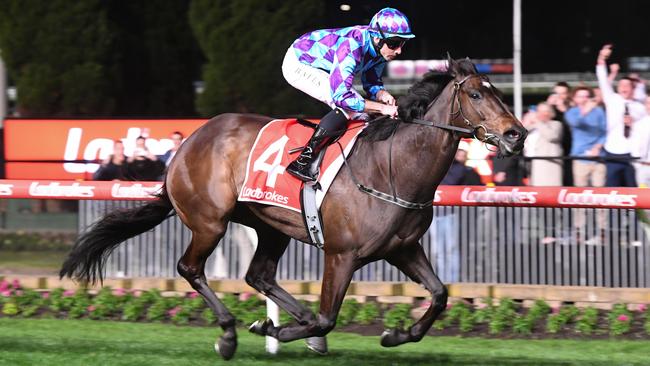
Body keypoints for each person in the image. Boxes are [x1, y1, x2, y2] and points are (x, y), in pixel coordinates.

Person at [282, 7, 416, 182]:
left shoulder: (380, 49)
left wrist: (382, 94)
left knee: (363, 115)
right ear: (377, 38)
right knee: (349, 108)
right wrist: (382, 108)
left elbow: (372, 83)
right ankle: (303, 161)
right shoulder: (352, 45)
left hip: (323, 67)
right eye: (394, 43)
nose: (398, 50)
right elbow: (342, 96)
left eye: (402, 43)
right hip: (299, 63)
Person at [596, 44, 646, 187]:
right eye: (621, 85)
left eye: (627, 86)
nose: (624, 88)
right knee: (612, 193)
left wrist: (633, 124)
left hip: (632, 154)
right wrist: (601, 58)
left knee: (632, 194)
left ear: (633, 89)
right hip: (612, 152)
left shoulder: (640, 107)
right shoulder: (612, 99)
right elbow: (602, 78)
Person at [564, 87, 607, 187]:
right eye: (581, 96)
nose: (584, 99)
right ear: (574, 98)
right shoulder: (571, 112)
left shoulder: (599, 112)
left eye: (587, 96)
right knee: (580, 192)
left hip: (598, 157)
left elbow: (604, 132)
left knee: (600, 191)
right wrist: (585, 111)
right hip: (580, 158)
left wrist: (597, 147)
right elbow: (575, 123)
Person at [526, 103, 564, 186]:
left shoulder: (556, 124)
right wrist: (526, 122)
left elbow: (552, 136)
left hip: (549, 163)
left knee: (549, 188)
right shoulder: (532, 126)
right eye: (540, 111)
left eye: (546, 111)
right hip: (532, 162)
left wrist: (538, 122)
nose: (543, 114)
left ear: (551, 113)